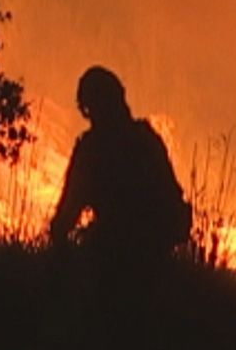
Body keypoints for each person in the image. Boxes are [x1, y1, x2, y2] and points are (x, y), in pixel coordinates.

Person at [49, 66, 191, 260]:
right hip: (155, 257)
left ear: (90, 108)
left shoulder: (92, 149)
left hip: (113, 257)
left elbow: (66, 215)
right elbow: (172, 195)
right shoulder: (147, 138)